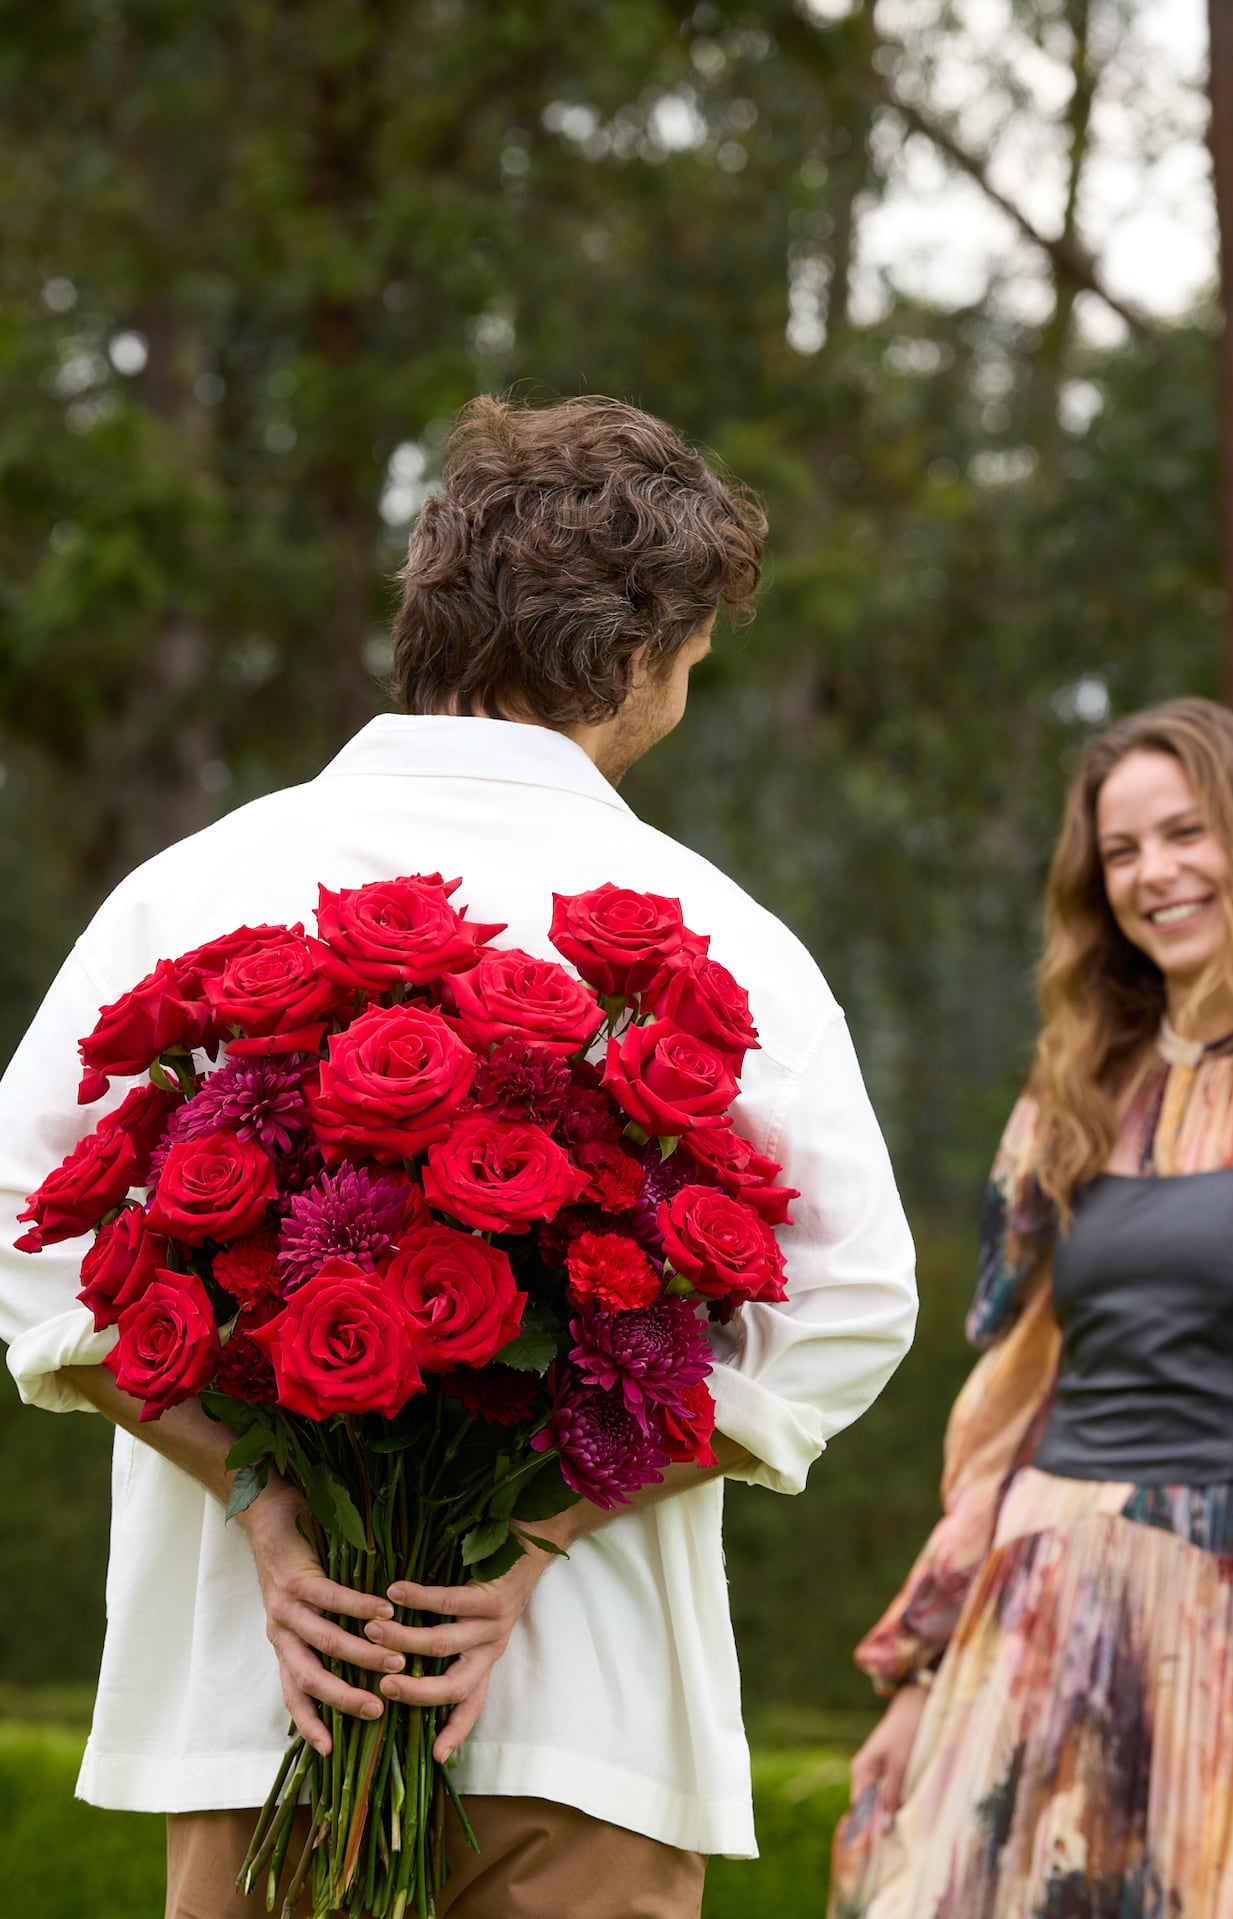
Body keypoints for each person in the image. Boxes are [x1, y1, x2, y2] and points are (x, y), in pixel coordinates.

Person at [0, 393, 917, 1919]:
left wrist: (261, 1509)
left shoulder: (193, 886)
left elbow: (21, 1229)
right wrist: (548, 1526)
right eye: (691, 661)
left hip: (259, 1703)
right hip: (584, 1721)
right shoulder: (716, 929)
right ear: (633, 654)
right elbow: (851, 1298)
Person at [829, 695, 1233, 1919]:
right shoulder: (1071, 1089)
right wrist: (918, 1673)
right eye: (1120, 851)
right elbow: (1012, 1407)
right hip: (1044, 1605)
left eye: (1186, 832)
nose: (1153, 874)